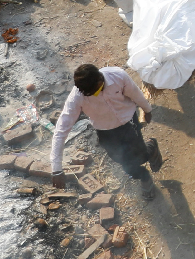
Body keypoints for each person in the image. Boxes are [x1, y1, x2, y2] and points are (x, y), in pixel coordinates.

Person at [50, 64, 161, 199]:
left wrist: (147, 109)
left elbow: (135, 92)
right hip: (105, 132)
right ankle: (144, 174)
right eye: (90, 94)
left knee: (140, 156)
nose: (96, 95)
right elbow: (61, 131)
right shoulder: (77, 97)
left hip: (129, 122)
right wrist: (56, 169)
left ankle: (150, 151)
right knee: (123, 162)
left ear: (100, 79)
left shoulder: (118, 76)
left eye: (96, 90)